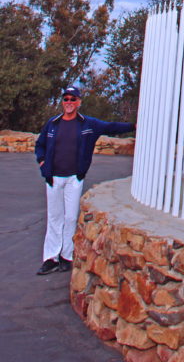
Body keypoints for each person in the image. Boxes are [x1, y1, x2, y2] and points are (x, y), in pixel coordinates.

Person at [34, 84, 135, 275]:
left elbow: (111, 127)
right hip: (53, 178)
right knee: (54, 217)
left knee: (70, 217)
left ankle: (66, 256)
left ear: (79, 102)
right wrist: (42, 163)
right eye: (66, 99)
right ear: (62, 102)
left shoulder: (88, 124)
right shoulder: (52, 124)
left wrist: (133, 126)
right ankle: (50, 258)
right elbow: (40, 145)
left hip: (74, 178)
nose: (69, 102)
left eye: (73, 99)